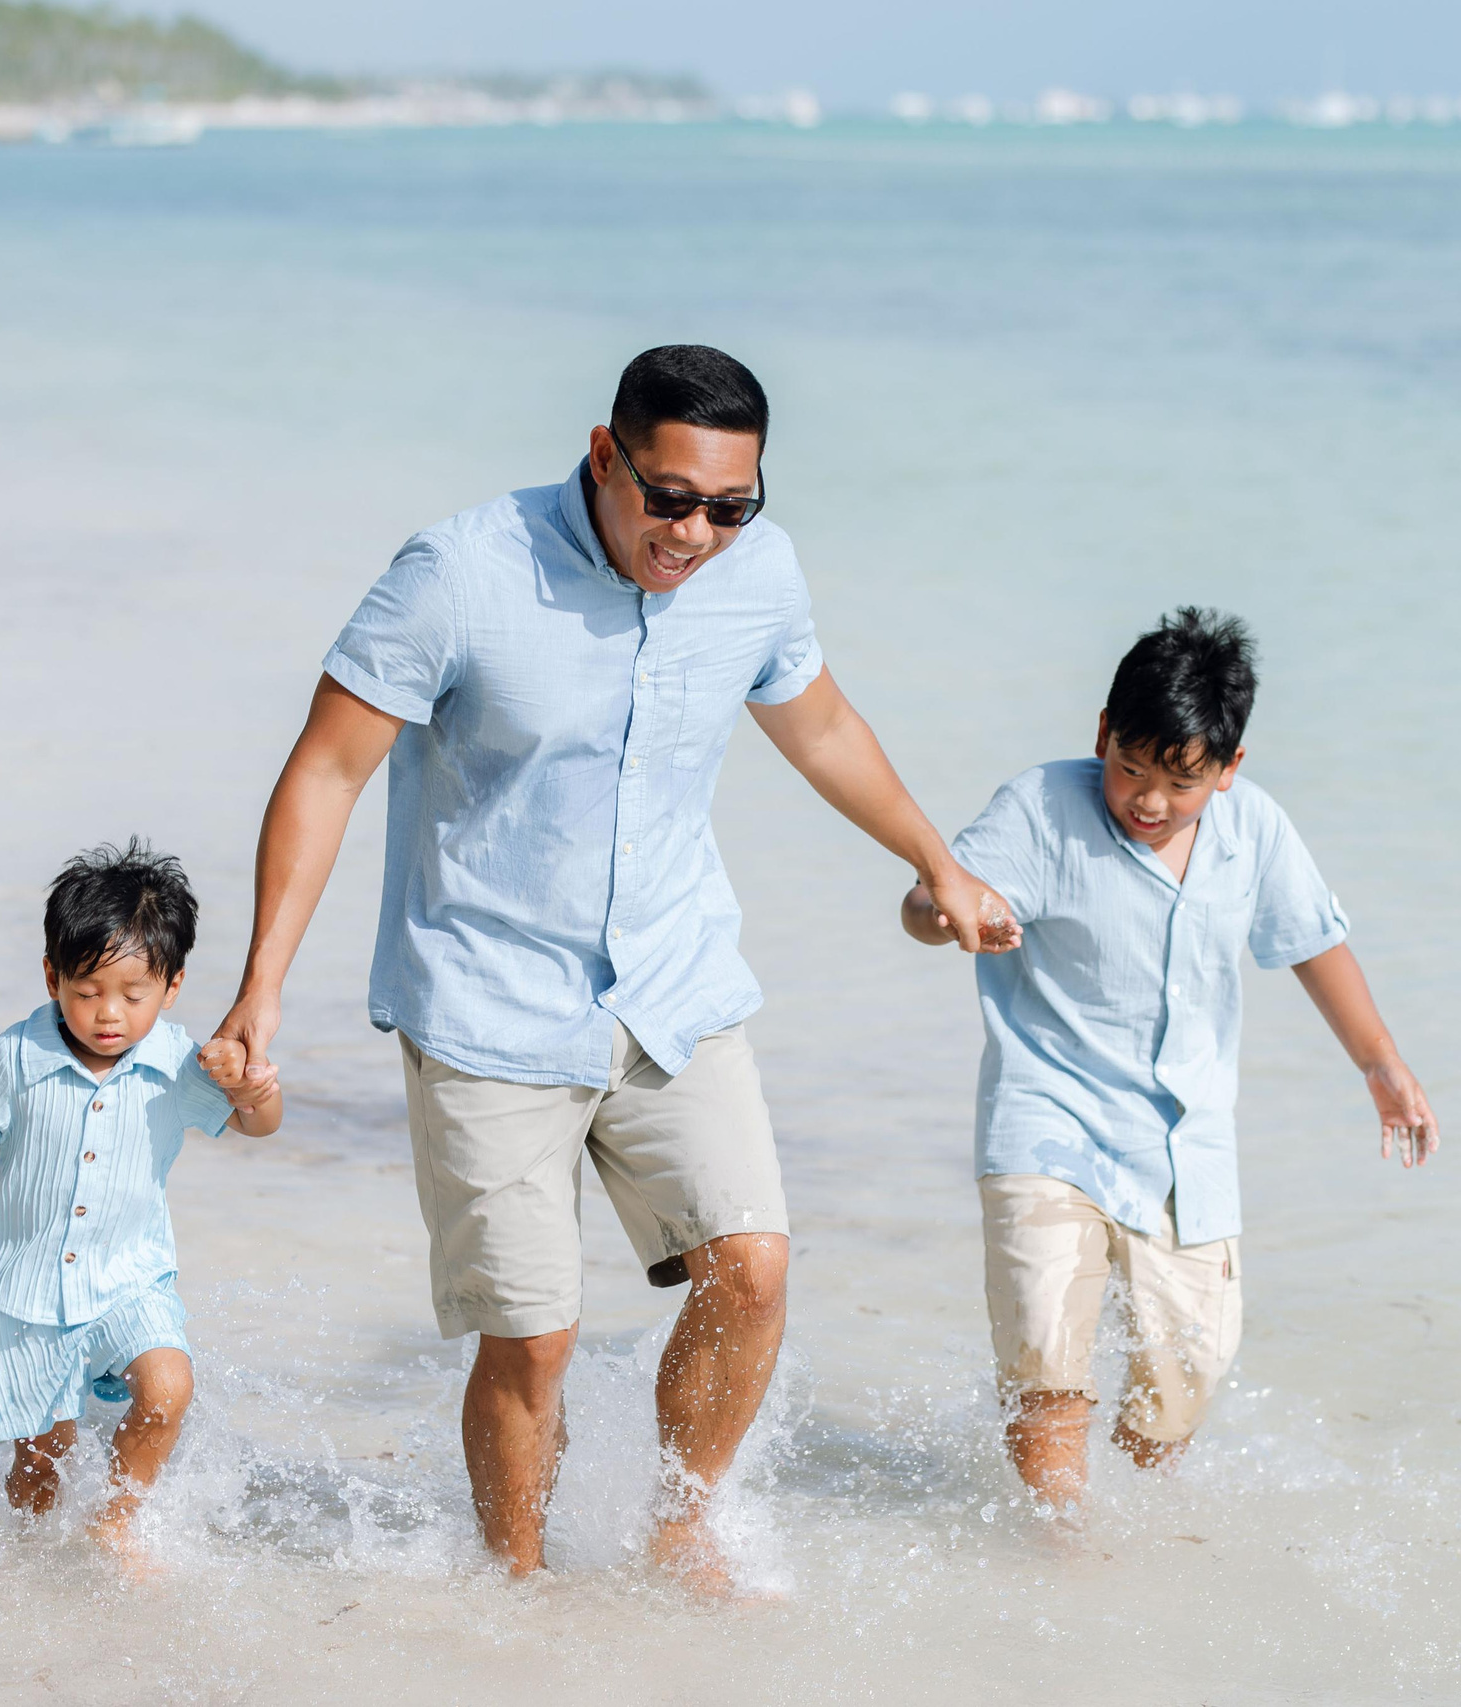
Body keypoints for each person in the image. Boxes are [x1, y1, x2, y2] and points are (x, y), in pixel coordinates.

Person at [207, 345, 1018, 1589]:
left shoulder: (758, 573)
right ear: (604, 454)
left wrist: (934, 861)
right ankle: (518, 1592)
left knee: (749, 1271)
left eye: (729, 506)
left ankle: (679, 1529)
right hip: (487, 1004)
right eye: (670, 498)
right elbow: (325, 768)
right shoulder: (458, 574)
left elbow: (817, 724)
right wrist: (262, 984)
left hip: (671, 987)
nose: (695, 534)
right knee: (534, 1339)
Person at [902, 608, 1439, 1506]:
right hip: (1047, 1120)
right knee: (1047, 1362)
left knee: (1185, 1377)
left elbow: (1311, 943)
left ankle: (1139, 1528)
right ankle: (1060, 1546)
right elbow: (925, 904)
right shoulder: (1040, 808)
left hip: (1186, 1145)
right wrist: (950, 913)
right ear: (1102, 735)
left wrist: (1380, 1064)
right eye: (1131, 769)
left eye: (1181, 782)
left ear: (1228, 769)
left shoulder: (1253, 830)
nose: (1148, 801)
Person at [0, 841, 280, 1571]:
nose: (108, 1014)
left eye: (133, 995)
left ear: (171, 987)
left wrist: (252, 1089)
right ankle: (28, 1564)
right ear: (51, 977)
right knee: (42, 1463)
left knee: (169, 1388)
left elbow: (259, 1126)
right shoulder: (18, 1055)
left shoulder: (179, 1061)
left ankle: (116, 1521)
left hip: (130, 1280)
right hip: (28, 1296)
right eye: (87, 991)